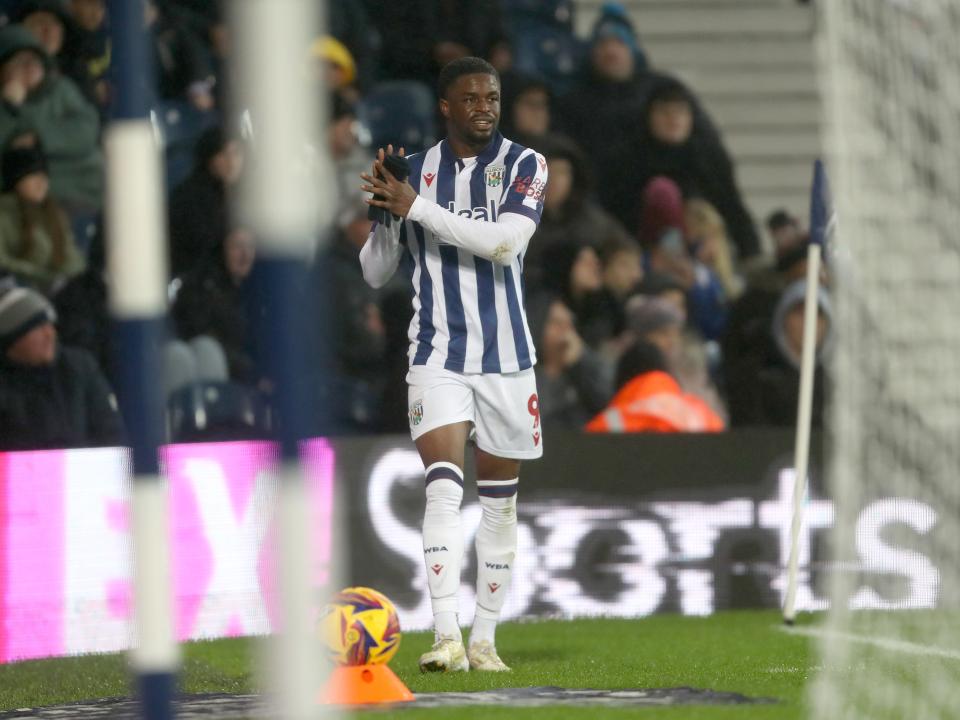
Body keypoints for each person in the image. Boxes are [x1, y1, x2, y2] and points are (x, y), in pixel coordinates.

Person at [358, 57, 548, 673]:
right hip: (437, 351)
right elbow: (375, 272)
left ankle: (486, 641)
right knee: (443, 485)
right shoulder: (414, 172)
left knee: (499, 503)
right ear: (445, 106)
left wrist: (413, 208)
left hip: (508, 358)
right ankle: (445, 637)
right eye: (470, 98)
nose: (484, 107)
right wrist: (385, 213)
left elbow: (505, 243)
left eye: (492, 96)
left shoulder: (526, 165)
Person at [603, 76, 762, 260]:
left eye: (680, 112)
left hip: (706, 250)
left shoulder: (707, 158)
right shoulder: (628, 161)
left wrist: (751, 254)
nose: (673, 120)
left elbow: (732, 206)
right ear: (649, 117)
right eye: (664, 112)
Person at [0, 284, 124, 449]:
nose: (49, 334)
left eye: (49, 324)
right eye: (37, 327)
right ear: (13, 339)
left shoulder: (80, 368)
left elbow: (111, 431)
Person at [0, 24, 102, 209]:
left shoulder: (60, 89)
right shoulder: (4, 107)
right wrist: (8, 108)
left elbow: (86, 129)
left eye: (34, 60)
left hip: (84, 188)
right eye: (20, 61)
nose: (29, 67)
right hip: (27, 205)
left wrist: (39, 137)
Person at [0, 142, 84, 293]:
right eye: (33, 176)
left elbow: (71, 256)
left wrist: (68, 273)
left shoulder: (53, 212)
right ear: (16, 180)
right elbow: (3, 262)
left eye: (44, 177)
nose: (41, 184)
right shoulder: (3, 213)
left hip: (56, 289)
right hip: (18, 291)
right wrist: (42, 275)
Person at [167, 125, 243, 277]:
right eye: (223, 154)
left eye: (236, 153)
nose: (231, 161)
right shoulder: (189, 196)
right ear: (209, 159)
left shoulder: (245, 192)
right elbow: (202, 246)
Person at [529, 294, 611, 432]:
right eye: (557, 323)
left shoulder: (586, 369)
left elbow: (605, 404)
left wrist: (580, 364)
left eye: (569, 325)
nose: (565, 331)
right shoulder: (528, 375)